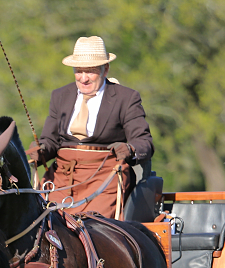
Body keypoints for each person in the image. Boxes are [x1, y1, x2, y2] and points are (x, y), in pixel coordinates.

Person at [27, 36, 156, 220]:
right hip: (62, 177)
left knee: (94, 228)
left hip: (105, 178)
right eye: (79, 71)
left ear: (106, 69)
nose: (84, 78)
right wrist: (40, 150)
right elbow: (51, 141)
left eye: (91, 71)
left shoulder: (126, 98)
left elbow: (144, 142)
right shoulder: (60, 96)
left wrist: (129, 149)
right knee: (44, 223)